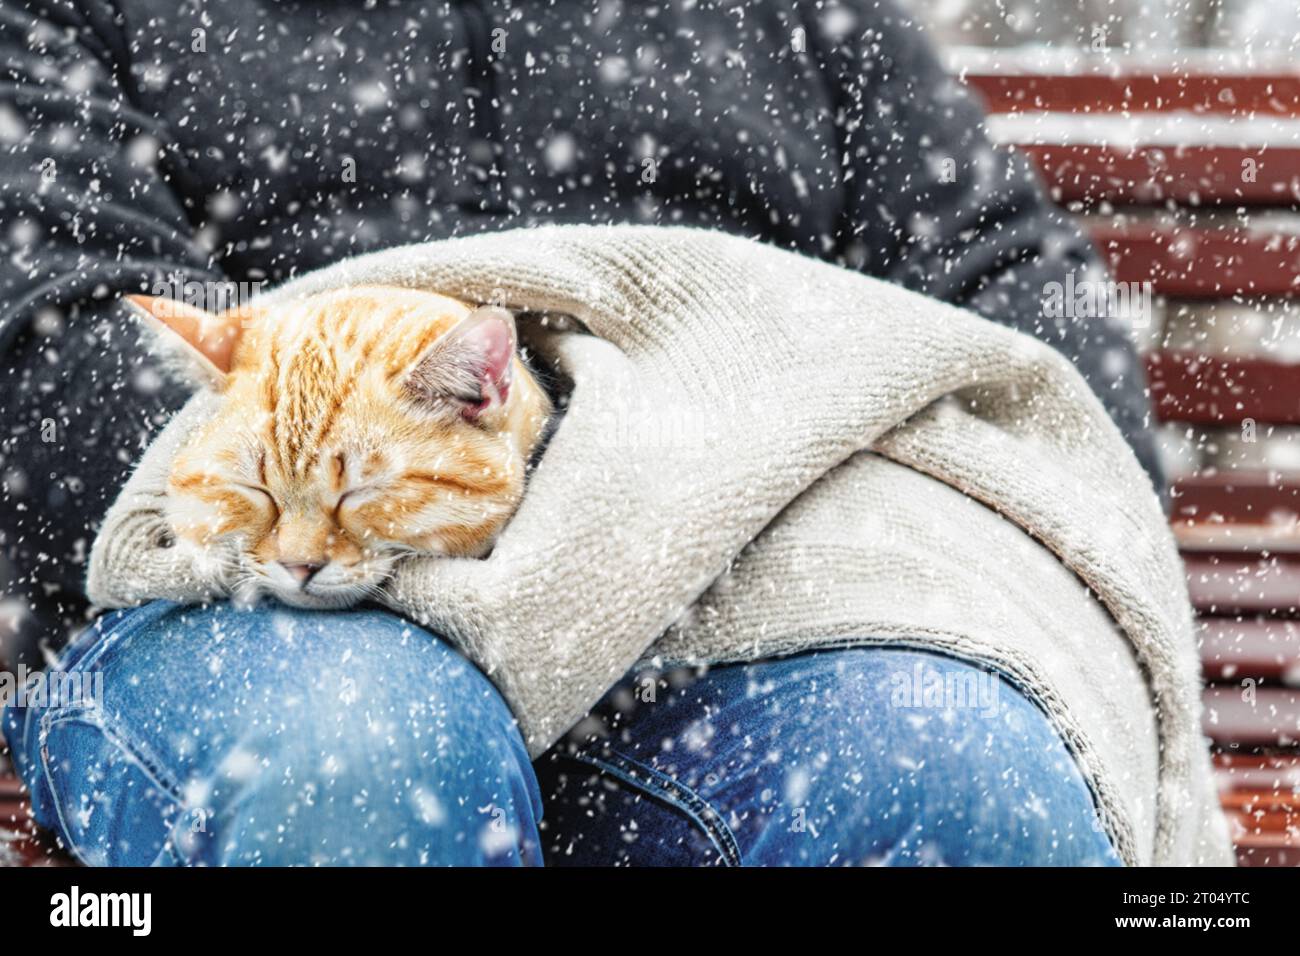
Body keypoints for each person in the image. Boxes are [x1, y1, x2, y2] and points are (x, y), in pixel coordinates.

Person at [0, 0, 1155, 865]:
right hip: (270, 614)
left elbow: (1014, 289)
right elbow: (56, 345)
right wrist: (462, 514)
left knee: (955, 776)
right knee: (364, 764)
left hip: (752, 605)